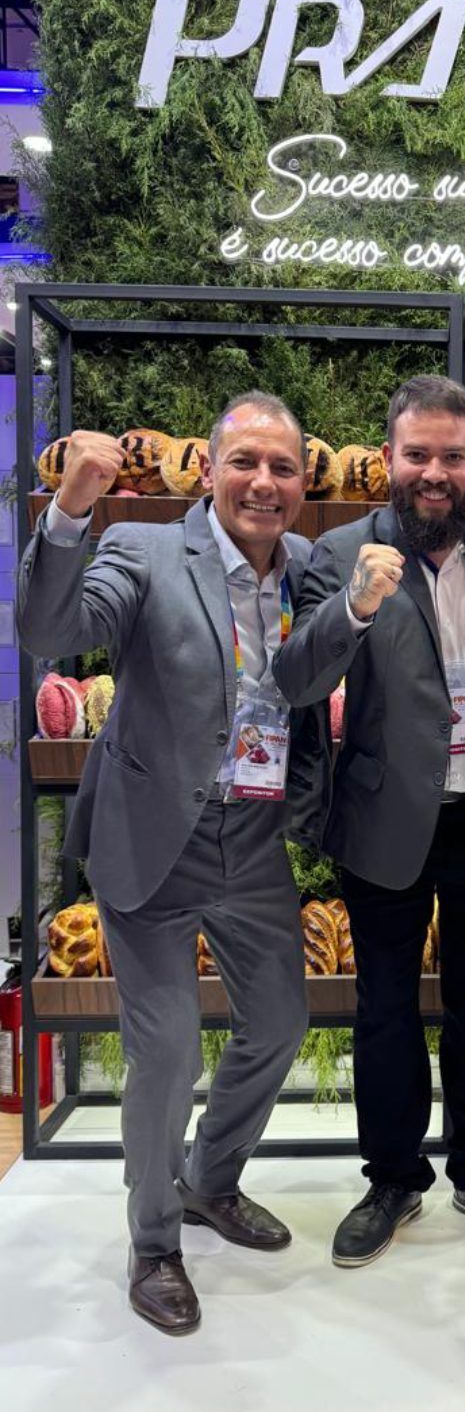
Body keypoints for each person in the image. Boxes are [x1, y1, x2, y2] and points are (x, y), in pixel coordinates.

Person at [18, 392, 330, 1336]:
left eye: (282, 468)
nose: (263, 483)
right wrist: (72, 512)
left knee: (279, 1023)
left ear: (303, 483)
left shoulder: (310, 566)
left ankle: (208, 1181)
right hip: (152, 838)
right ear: (210, 467)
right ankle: (154, 1241)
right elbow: (48, 628)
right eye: (245, 462)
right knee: (167, 1049)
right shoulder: (145, 550)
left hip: (253, 835)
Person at [274, 375, 465, 1268]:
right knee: (386, 1008)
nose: (434, 472)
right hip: (382, 817)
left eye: (451, 455)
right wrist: (355, 607)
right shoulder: (336, 553)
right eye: (417, 455)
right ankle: (394, 1176)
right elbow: (297, 682)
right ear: (387, 459)